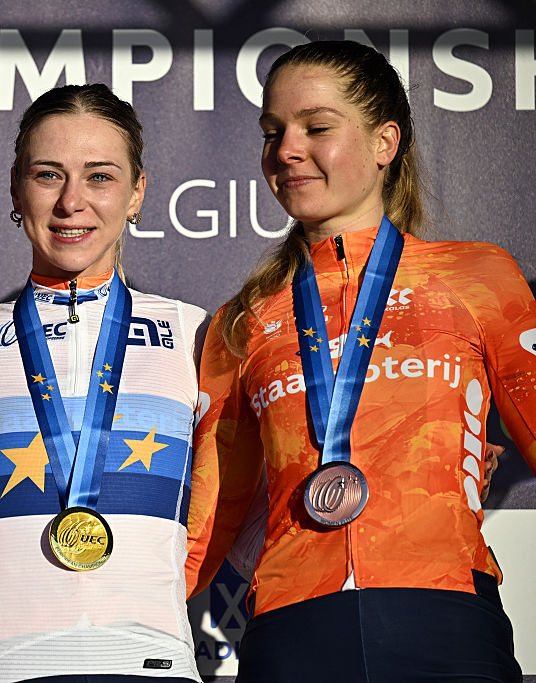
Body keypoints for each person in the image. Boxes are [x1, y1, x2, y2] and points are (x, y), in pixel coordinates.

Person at [189, 40, 532, 681]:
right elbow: (206, 527)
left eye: (317, 128)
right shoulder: (242, 320)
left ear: (384, 143)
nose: (286, 150)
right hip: (291, 627)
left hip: (447, 614)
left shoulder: (477, 275)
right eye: (272, 132)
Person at [0, 83, 213, 682]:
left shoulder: (195, 337)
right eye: (49, 175)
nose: (72, 202)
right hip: (2, 668)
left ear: (137, 192)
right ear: (15, 189)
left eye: (99, 177)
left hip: (155, 666)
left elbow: (248, 495)